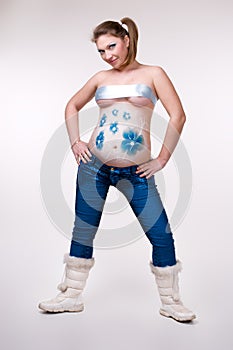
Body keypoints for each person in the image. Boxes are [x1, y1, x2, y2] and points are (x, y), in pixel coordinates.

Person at [38, 17, 196, 322]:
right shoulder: (100, 78)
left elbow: (178, 116)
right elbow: (71, 106)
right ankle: (71, 295)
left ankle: (171, 301)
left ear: (126, 39)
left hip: (135, 171)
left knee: (160, 233)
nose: (108, 55)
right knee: (83, 230)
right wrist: (75, 143)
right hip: (93, 167)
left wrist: (161, 159)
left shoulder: (153, 74)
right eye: (101, 51)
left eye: (111, 46)